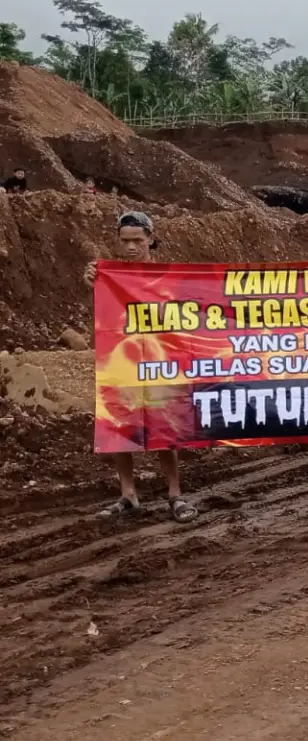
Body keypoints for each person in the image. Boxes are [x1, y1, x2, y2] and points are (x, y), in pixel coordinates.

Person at [84, 212, 198, 523]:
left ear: (150, 239)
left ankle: (174, 494)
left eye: (137, 240)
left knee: (163, 426)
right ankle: (128, 494)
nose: (131, 246)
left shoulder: (167, 274)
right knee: (120, 425)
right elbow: (103, 312)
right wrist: (93, 281)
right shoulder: (110, 274)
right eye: (125, 241)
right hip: (123, 358)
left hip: (161, 359)